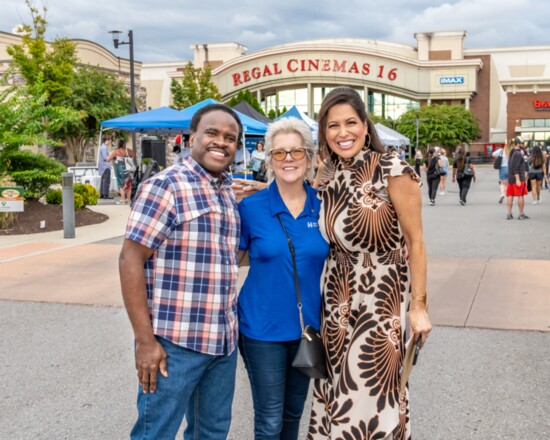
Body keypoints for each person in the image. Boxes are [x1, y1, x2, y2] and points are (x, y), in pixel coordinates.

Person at [308, 87, 431, 440]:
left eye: (350, 123)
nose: (342, 133)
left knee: (372, 392)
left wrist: (419, 306)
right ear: (324, 132)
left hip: (381, 297)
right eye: (333, 126)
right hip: (335, 299)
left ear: (365, 125)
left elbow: (416, 241)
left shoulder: (391, 168)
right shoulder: (328, 172)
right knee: (337, 392)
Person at [119, 104, 243, 439]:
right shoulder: (166, 186)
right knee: (155, 432)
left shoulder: (227, 192)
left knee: (212, 431)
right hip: (173, 343)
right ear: (191, 139)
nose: (221, 142)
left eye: (230, 138)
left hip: (223, 343)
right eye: (212, 133)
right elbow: (130, 260)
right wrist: (145, 341)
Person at [237, 118, 329, 439]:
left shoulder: (324, 207)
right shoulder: (250, 207)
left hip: (307, 329)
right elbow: (229, 263)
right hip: (261, 329)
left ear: (309, 157)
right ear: (269, 160)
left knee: (293, 413)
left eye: (296, 152)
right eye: (279, 153)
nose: (288, 159)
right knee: (269, 419)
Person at [506, 136, 529, 220]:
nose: (523, 145)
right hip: (518, 178)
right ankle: (521, 213)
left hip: (511, 178)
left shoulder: (512, 152)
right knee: (520, 195)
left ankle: (509, 213)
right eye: (522, 143)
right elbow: (516, 167)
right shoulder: (518, 154)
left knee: (510, 195)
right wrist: (518, 179)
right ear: (518, 144)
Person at [107, 139, 134, 205]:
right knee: (128, 185)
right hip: (127, 169)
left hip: (119, 169)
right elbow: (133, 155)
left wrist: (113, 157)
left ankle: (123, 200)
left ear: (118, 144)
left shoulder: (115, 152)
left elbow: (108, 159)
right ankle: (128, 200)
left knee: (120, 185)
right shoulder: (128, 150)